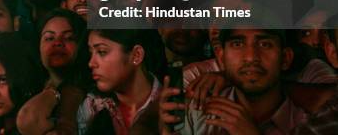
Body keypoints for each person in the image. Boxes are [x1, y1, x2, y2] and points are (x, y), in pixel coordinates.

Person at [160, 28, 307, 135]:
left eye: (265, 44)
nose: (250, 57)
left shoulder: (310, 123)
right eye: (238, 44)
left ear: (286, 58)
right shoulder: (197, 111)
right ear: (221, 57)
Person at [17, 9, 90, 135]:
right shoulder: (28, 87)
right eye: (49, 38)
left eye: (68, 38)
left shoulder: (92, 97)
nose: (57, 43)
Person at [78, 29, 162, 135]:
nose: (91, 63)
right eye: (91, 53)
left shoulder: (173, 104)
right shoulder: (92, 106)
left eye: (102, 52)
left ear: (136, 55)